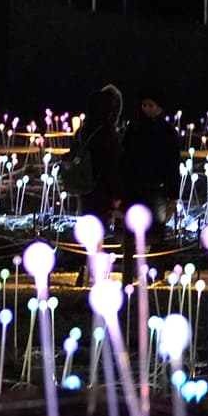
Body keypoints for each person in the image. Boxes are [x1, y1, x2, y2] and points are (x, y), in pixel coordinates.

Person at [120, 86, 181, 283]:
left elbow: (173, 164)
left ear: (159, 108)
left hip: (158, 190)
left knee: (157, 232)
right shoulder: (134, 128)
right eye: (144, 105)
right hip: (135, 189)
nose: (146, 108)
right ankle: (129, 274)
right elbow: (125, 158)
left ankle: (155, 275)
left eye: (150, 105)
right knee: (131, 233)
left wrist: (173, 194)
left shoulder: (167, 132)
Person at [77, 84, 125, 226]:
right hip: (102, 191)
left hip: (84, 188)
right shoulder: (108, 133)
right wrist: (117, 194)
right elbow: (113, 166)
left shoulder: (82, 131)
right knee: (99, 229)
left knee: (90, 230)